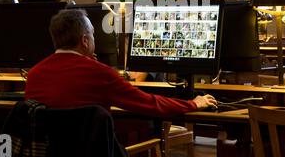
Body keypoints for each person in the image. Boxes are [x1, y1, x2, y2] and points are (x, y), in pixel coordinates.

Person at [25, 9, 217, 116]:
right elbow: (149, 103)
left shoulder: (34, 75)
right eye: (92, 34)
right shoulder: (100, 74)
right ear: (85, 41)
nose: (94, 39)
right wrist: (193, 103)